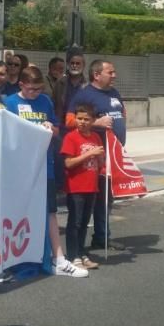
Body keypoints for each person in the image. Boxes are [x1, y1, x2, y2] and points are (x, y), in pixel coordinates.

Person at [6, 66, 88, 278]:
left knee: (50, 211)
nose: (35, 93)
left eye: (39, 89)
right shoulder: (10, 103)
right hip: (21, 169)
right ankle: (17, 258)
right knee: (20, 212)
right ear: (21, 85)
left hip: (45, 166)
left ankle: (59, 257)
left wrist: (51, 129)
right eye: (31, 89)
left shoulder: (45, 101)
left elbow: (58, 128)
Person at [65, 59, 127, 252]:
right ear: (97, 75)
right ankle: (78, 246)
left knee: (107, 198)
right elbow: (69, 121)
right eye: (111, 72)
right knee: (92, 199)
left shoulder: (114, 93)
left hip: (113, 154)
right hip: (93, 154)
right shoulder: (85, 95)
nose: (114, 75)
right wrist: (96, 124)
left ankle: (102, 236)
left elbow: (122, 114)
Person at [62, 103, 104, 270]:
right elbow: (68, 163)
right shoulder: (71, 137)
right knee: (75, 222)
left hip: (91, 186)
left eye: (86, 119)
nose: (82, 122)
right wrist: (89, 154)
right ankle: (73, 255)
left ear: (93, 120)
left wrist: (101, 159)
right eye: (79, 119)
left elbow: (100, 162)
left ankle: (82, 252)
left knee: (85, 222)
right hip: (76, 187)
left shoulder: (95, 137)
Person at [54, 48, 87, 121]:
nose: (74, 66)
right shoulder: (60, 82)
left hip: (80, 125)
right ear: (68, 64)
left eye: (78, 63)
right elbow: (54, 103)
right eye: (72, 63)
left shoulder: (88, 86)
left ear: (83, 65)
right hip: (61, 125)